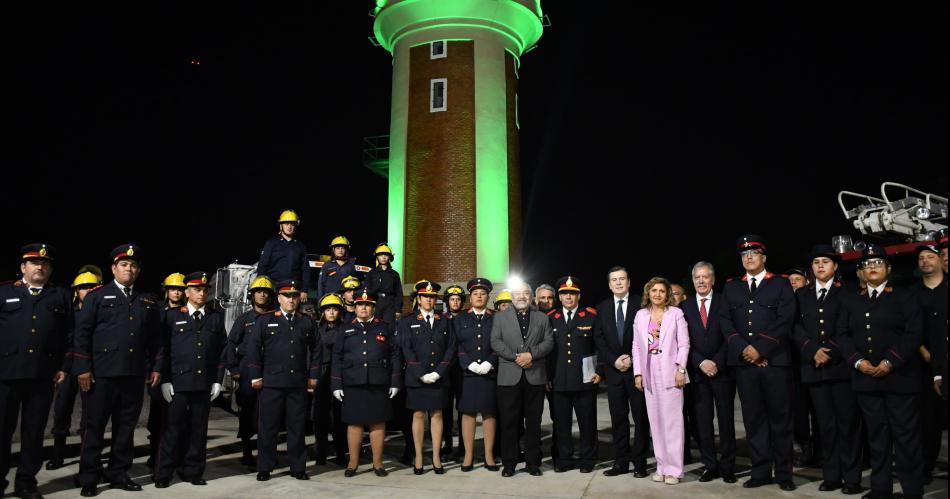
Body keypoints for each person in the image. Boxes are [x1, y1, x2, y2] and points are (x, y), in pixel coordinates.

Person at [73, 244, 163, 497]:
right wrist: (83, 368)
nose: (129, 269)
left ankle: (118, 474)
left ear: (138, 270)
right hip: (101, 375)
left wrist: (156, 367)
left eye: (133, 265)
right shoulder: (97, 296)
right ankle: (89, 476)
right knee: (94, 428)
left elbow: (156, 340)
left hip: (133, 375)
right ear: (114, 268)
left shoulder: (146, 300)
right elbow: (82, 334)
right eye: (124, 264)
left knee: (126, 428)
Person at [838, 244, 925, 499]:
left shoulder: (905, 296)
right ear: (861, 271)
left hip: (900, 379)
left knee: (906, 439)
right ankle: (881, 488)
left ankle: (912, 491)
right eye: (867, 264)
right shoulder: (853, 299)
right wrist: (857, 362)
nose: (872, 267)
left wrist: (890, 362)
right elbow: (842, 335)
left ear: (888, 268)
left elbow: (913, 333)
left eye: (877, 263)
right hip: (866, 380)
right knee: (876, 437)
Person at [719, 235, 796, 491]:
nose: (748, 257)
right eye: (744, 255)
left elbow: (785, 320)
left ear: (763, 257)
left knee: (780, 420)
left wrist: (760, 350)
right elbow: (725, 323)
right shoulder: (731, 287)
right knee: (753, 420)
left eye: (753, 253)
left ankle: (784, 473)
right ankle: (761, 470)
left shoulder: (781, 285)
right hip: (745, 364)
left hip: (774, 363)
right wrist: (745, 350)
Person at [0, 244, 72, 499]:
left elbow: (68, 335)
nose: (39, 267)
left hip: (42, 375)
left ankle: (26, 482)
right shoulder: (4, 292)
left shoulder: (60, 296)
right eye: (33, 262)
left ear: (50, 269)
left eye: (45, 264)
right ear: (23, 267)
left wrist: (63, 366)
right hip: (6, 374)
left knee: (33, 431)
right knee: (2, 430)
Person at [790, 245, 862, 494]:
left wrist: (828, 351)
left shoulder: (848, 292)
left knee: (847, 424)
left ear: (835, 266)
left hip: (840, 367)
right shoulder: (802, 295)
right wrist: (812, 351)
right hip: (814, 368)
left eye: (826, 262)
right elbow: (795, 328)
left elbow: (851, 326)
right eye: (816, 262)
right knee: (825, 426)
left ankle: (852, 477)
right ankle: (831, 475)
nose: (820, 266)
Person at [153, 272, 225, 488]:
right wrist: (165, 379)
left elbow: (222, 351)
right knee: (171, 430)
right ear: (186, 292)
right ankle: (163, 472)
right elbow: (162, 351)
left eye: (204, 290)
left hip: (203, 384)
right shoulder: (171, 316)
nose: (201, 293)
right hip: (177, 383)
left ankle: (193, 471)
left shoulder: (215, 318)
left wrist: (218, 380)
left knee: (198, 430)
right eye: (196, 289)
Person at [246, 280, 320, 482]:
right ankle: (265, 467)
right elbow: (253, 348)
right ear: (278, 298)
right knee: (268, 428)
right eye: (287, 296)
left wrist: (313, 376)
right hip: (271, 383)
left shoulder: (306, 321)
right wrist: (256, 376)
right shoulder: (265, 320)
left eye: (295, 296)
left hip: (297, 383)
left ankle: (298, 467)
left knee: (297, 428)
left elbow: (317, 349)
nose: (291, 300)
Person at [331, 289, 402, 477]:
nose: (364, 308)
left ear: (373, 308)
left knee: (377, 424)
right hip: (352, 383)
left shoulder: (384, 327)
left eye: (368, 305)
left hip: (378, 383)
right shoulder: (345, 329)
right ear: (354, 307)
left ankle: (377, 463)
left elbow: (395, 354)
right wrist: (336, 385)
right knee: (354, 424)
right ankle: (353, 463)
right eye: (360, 304)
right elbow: (336, 357)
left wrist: (395, 381)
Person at [680, 262, 736, 483]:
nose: (701, 281)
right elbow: (683, 341)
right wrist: (700, 361)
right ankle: (710, 465)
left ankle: (728, 466)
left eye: (705, 277)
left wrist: (717, 362)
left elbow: (731, 334)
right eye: (697, 277)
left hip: (723, 372)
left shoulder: (725, 302)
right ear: (693, 280)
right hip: (698, 373)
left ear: (713, 280)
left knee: (726, 420)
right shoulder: (684, 307)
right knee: (702, 422)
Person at [490, 281, 553, 477]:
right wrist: (516, 357)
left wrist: (531, 355)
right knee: (509, 422)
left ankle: (532, 463)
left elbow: (549, 342)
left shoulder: (541, 318)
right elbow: (495, 342)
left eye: (526, 293)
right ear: (512, 297)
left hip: (535, 376)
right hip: (509, 377)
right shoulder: (500, 317)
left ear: (531, 297)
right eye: (518, 293)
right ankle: (509, 463)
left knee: (533, 423)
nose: (522, 297)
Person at [632, 277, 690, 484]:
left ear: (667, 295)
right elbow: (636, 347)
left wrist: (680, 369)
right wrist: (638, 373)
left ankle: (674, 470)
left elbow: (684, 344)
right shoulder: (640, 315)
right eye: (653, 290)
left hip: (671, 371)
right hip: (648, 371)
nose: (657, 294)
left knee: (672, 423)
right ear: (648, 293)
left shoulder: (676, 314)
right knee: (655, 423)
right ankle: (661, 466)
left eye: (662, 291)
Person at [594, 266, 650, 478]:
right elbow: (599, 339)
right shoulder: (603, 307)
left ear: (629, 282)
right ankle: (621, 462)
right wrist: (614, 360)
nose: (618, 283)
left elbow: (647, 335)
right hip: (614, 371)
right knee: (618, 418)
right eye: (614, 280)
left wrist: (632, 359)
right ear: (609, 284)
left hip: (637, 370)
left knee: (641, 418)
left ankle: (640, 462)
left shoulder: (641, 304)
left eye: (622, 279)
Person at [46, 268, 101, 471]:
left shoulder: (102, 310)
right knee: (61, 411)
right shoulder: (68, 311)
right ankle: (58, 453)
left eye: (91, 287)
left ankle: (86, 457)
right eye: (83, 288)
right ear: (75, 291)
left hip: (91, 368)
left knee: (90, 415)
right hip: (69, 368)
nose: (87, 291)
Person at [398, 280, 455, 474]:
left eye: (432, 297)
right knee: (419, 415)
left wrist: (439, 372)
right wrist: (421, 374)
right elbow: (406, 349)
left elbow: (451, 348)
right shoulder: (407, 321)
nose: (429, 300)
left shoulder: (445, 321)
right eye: (425, 297)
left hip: (439, 377)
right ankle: (419, 457)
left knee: (437, 415)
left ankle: (436, 457)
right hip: (417, 378)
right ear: (418, 299)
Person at [547, 276, 602, 473]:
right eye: (564, 294)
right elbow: (547, 352)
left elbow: (600, 347)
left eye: (572, 293)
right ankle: (564, 458)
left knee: (587, 422)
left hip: (585, 379)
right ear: (559, 297)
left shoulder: (590, 316)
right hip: (559, 379)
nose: (568, 297)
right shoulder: (551, 317)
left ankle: (588, 458)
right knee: (561, 423)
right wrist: (547, 377)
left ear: (579, 295)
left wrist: (600, 371)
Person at [223, 275, 274, 466]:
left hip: (270, 371)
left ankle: (267, 454)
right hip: (247, 372)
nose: (261, 295)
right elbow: (230, 343)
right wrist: (234, 368)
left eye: (265, 292)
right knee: (247, 413)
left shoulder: (275, 317)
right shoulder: (244, 319)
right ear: (251, 296)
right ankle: (246, 451)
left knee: (270, 414)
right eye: (258, 292)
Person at [454, 277, 500, 472]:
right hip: (468, 374)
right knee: (468, 413)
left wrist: (490, 361)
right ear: (470, 298)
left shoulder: (496, 317)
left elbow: (501, 342)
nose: (479, 296)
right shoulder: (460, 318)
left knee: (489, 413)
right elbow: (456, 344)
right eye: (475, 294)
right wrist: (469, 363)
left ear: (488, 297)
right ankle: (468, 455)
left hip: (489, 373)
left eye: (483, 293)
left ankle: (489, 455)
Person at [146, 272, 187, 467]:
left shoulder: (188, 313)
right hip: (158, 370)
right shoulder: (157, 312)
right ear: (167, 291)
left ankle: (176, 456)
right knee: (156, 417)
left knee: (178, 419)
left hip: (180, 373)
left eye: (180, 289)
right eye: (173, 289)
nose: (177, 292)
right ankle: (155, 454)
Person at [913, 242, 945, 484]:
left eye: (930, 256)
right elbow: (909, 328)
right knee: (927, 421)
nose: (925, 260)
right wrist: (923, 350)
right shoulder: (913, 294)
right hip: (924, 366)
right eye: (921, 257)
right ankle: (925, 468)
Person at [312, 293, 348, 466]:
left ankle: (341, 452)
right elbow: (311, 355)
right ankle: (321, 453)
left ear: (340, 311)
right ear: (323, 312)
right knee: (320, 417)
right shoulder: (317, 331)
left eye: (334, 309)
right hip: (321, 374)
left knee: (340, 418)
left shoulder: (347, 330)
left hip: (341, 375)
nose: (331, 312)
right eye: (328, 309)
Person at [257, 210, 310, 302]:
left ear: (296, 226)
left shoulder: (300, 246)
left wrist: (304, 290)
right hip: (273, 288)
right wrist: (261, 288)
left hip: (293, 289)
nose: (289, 227)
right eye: (286, 224)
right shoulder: (271, 244)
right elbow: (262, 267)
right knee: (271, 315)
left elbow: (305, 270)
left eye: (292, 224)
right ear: (281, 225)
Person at [441, 284, 466, 461]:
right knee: (445, 409)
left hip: (463, 369)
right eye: (452, 299)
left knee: (463, 408)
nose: (455, 302)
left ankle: (464, 446)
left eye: (458, 299)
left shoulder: (467, 318)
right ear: (447, 302)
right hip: (446, 369)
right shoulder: (441, 319)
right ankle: (447, 444)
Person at [364, 243, 403, 329]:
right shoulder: (371, 273)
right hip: (375, 303)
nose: (384, 257)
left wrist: (398, 309)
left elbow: (398, 292)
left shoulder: (395, 274)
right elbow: (366, 291)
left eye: (386, 255)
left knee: (389, 328)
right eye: (381, 255)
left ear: (389, 257)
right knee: (374, 327)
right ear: (377, 257)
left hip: (390, 303)